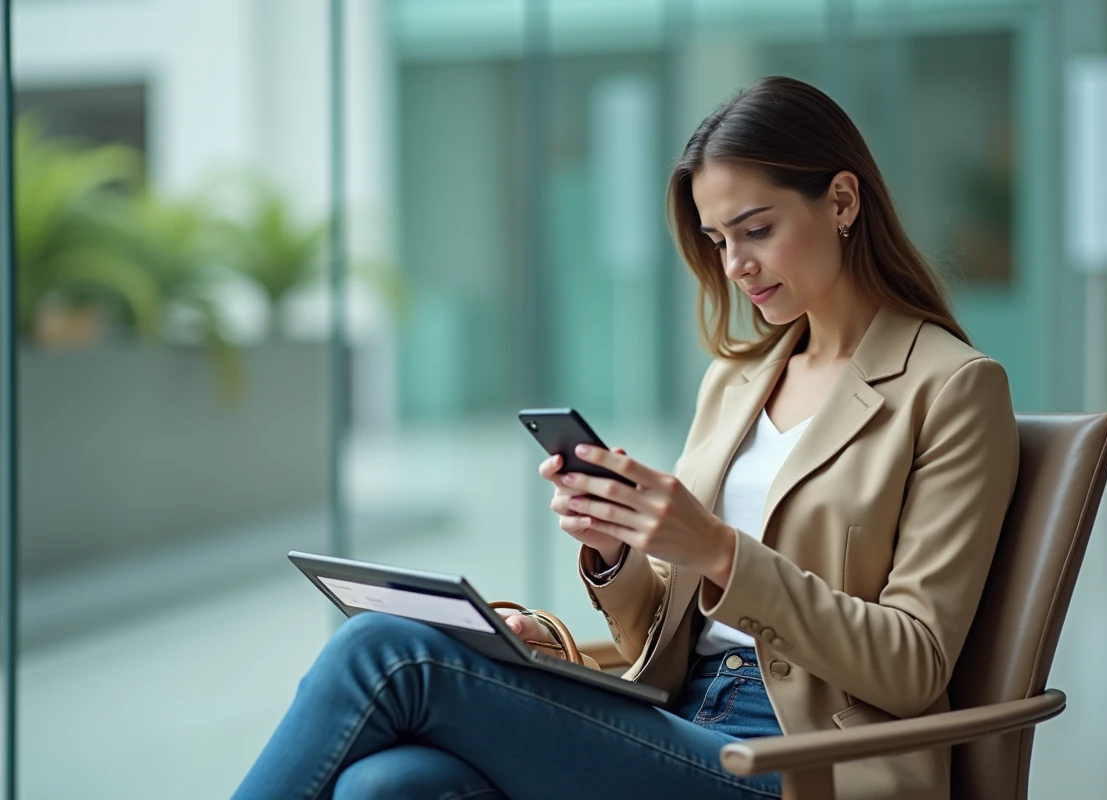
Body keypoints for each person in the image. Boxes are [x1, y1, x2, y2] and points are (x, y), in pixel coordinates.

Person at [232, 75, 1019, 800]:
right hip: (685, 721)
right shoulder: (737, 383)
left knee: (384, 649)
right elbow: (660, 635)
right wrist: (618, 553)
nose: (736, 264)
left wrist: (717, 550)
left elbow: (915, 665)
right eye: (717, 240)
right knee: (390, 786)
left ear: (842, 201)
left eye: (756, 229)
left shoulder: (950, 388)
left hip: (803, 763)